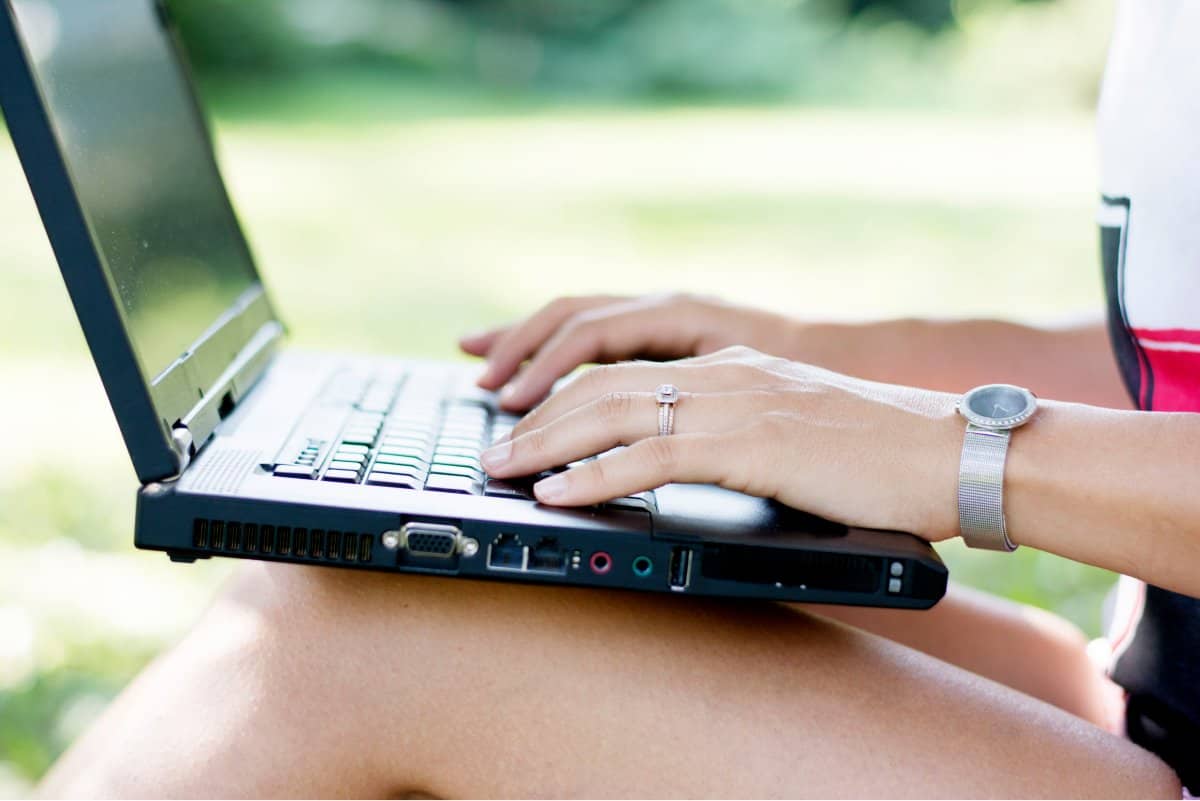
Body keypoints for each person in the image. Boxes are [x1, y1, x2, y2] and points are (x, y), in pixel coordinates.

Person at [38, 1, 1197, 797]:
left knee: (359, 640)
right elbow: (1167, 362)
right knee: (408, 559)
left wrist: (957, 452)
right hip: (1140, 693)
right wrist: (800, 361)